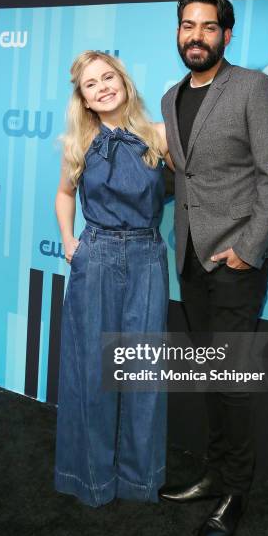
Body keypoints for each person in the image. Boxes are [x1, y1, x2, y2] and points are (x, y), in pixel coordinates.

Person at [159, 0, 268, 536]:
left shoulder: (252, 88)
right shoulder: (170, 98)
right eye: (188, 26)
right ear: (178, 32)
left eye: (208, 27)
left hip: (236, 263)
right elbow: (181, 179)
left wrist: (248, 249)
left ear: (226, 35)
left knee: (233, 382)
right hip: (190, 259)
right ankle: (216, 473)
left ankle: (237, 492)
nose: (196, 36)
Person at [54, 50, 172, 507]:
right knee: (91, 372)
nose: (102, 87)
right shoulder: (78, 146)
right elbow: (64, 195)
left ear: (123, 81)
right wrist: (69, 242)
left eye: (108, 77)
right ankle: (91, 479)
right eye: (91, 84)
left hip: (146, 256)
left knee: (143, 370)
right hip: (96, 255)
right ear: (83, 99)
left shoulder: (159, 136)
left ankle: (140, 481)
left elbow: (198, 186)